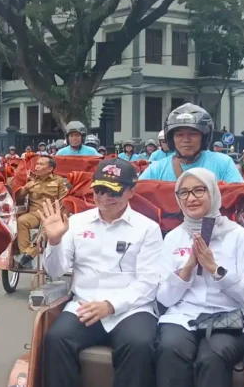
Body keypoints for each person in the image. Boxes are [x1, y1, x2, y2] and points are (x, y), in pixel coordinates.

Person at [39, 158, 162, 387]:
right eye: (99, 190)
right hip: (84, 304)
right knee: (56, 339)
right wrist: (54, 241)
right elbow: (56, 271)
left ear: (131, 192)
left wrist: (110, 305)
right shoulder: (76, 222)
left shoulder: (148, 228)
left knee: (140, 344)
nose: (105, 198)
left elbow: (148, 282)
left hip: (131, 309)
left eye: (113, 192)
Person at [155, 168, 244, 387]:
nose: (191, 198)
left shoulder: (237, 236)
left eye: (199, 190)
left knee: (211, 357)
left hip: (228, 317)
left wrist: (215, 269)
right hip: (183, 316)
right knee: (170, 350)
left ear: (213, 193)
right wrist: (187, 268)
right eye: (183, 193)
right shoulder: (174, 238)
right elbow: (164, 299)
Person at [140, 104, 243, 183]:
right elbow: (135, 198)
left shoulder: (223, 163)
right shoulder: (156, 169)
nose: (186, 140)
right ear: (171, 138)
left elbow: (238, 198)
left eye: (193, 134)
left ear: (204, 137)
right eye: (179, 134)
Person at [16, 156, 66, 269]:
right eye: (37, 163)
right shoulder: (30, 180)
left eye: (41, 164)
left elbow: (64, 200)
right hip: (35, 213)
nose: (37, 166)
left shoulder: (59, 181)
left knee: (46, 229)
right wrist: (25, 189)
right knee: (21, 220)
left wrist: (61, 215)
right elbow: (18, 199)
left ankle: (28, 255)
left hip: (51, 214)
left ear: (50, 169)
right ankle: (24, 255)